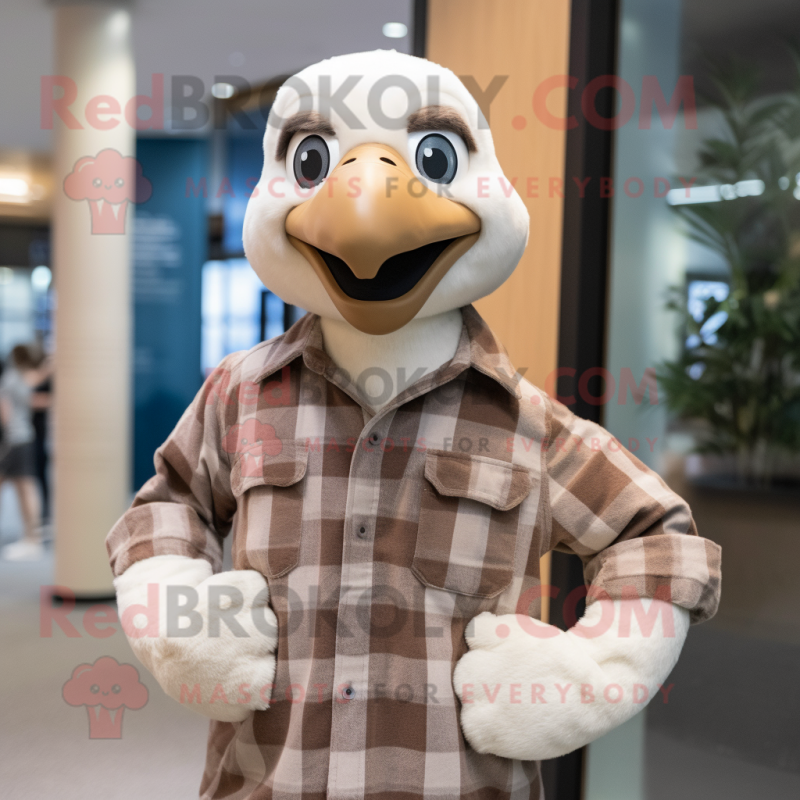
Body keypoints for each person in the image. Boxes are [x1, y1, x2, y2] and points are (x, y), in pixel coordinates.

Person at [0, 344, 52, 560]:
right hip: (20, 438)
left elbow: (9, 411)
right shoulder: (17, 377)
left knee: (26, 487)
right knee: (25, 487)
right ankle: (32, 537)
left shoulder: (13, 378)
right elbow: (35, 383)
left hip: (17, 439)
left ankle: (32, 539)